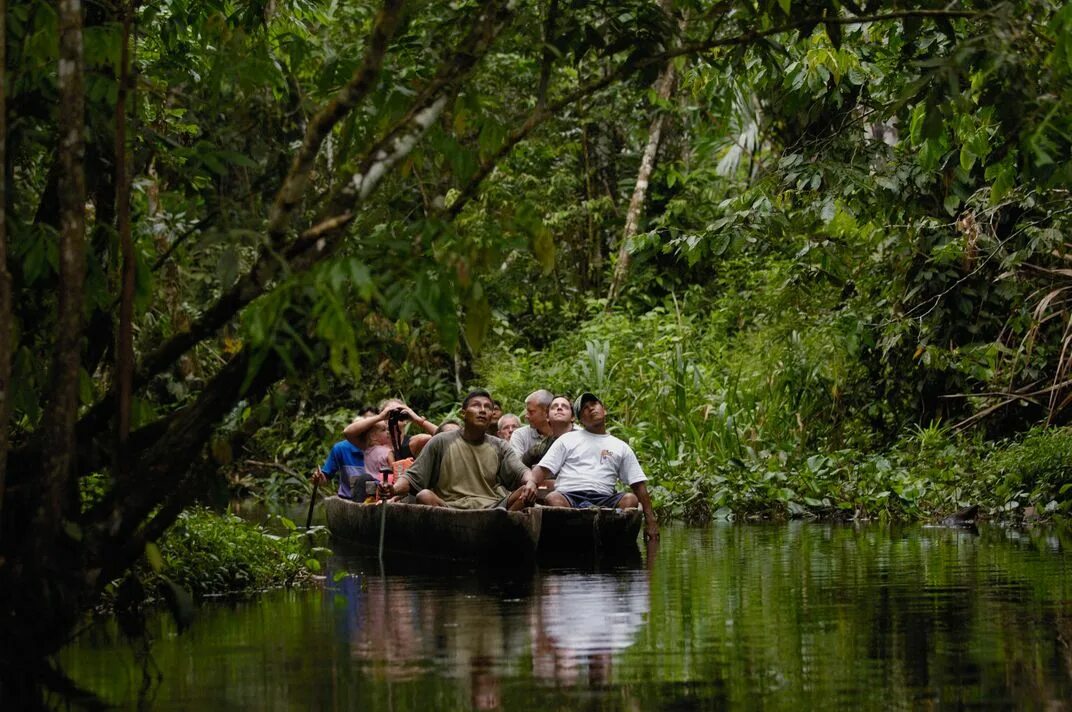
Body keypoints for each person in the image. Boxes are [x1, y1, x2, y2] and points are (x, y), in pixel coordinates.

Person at [532, 393, 659, 541]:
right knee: (553, 498)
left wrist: (651, 521)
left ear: (603, 409)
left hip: (604, 499)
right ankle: (572, 538)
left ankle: (607, 536)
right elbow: (543, 469)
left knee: (630, 499)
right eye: (585, 408)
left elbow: (638, 484)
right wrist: (531, 483)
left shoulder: (621, 447)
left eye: (594, 404)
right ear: (580, 420)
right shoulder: (566, 440)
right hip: (570, 497)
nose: (591, 408)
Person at [385, 389, 538, 511]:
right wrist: (393, 489)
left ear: (492, 416)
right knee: (424, 495)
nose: (482, 410)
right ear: (463, 413)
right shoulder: (441, 441)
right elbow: (412, 477)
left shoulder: (500, 446)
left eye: (488, 407)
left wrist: (531, 481)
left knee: (525, 491)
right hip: (450, 508)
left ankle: (500, 529)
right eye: (476, 405)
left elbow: (522, 471)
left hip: (493, 508)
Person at [313, 408, 379, 499]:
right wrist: (319, 479)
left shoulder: (383, 448)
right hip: (348, 500)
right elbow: (325, 478)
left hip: (377, 500)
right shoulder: (341, 448)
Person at [520, 395, 573, 467]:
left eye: (565, 407)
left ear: (573, 417)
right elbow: (518, 467)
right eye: (554, 407)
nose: (559, 408)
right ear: (547, 417)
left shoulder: (582, 439)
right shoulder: (541, 446)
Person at [509, 389, 553, 456]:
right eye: (527, 411)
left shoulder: (568, 432)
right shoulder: (520, 435)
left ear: (546, 412)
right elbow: (516, 465)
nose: (526, 416)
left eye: (531, 412)